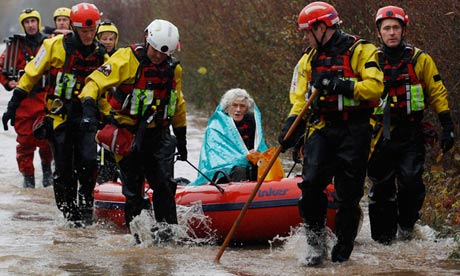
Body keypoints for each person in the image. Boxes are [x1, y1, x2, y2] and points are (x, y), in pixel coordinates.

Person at [278, 2, 383, 265]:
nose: (304, 38)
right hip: (322, 129)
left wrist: (341, 85)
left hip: (355, 131)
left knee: (348, 195)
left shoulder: (362, 50)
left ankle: (343, 250)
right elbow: (299, 98)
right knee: (311, 185)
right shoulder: (308, 59)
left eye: (306, 32)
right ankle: (316, 247)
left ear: (322, 27)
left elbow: (374, 88)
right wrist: (291, 126)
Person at [2, 2, 107, 226]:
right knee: (63, 170)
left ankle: (86, 206)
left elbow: (107, 90)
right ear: (75, 28)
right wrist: (13, 105)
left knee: (89, 163)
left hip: (87, 117)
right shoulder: (53, 46)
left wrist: (111, 119)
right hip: (59, 116)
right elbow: (30, 75)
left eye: (92, 31)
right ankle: (70, 215)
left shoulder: (101, 54)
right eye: (84, 31)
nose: (88, 36)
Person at [79, 19, 187, 232]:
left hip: (159, 136)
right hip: (128, 135)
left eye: (163, 53)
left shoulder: (173, 69)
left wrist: (181, 138)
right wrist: (89, 111)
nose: (158, 56)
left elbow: (178, 103)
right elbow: (94, 82)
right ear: (147, 39)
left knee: (165, 186)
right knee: (133, 192)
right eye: (155, 50)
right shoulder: (126, 58)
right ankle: (139, 238)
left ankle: (168, 237)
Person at [367, 6, 455, 245]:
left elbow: (437, 91)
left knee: (411, 183)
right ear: (379, 33)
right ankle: (382, 242)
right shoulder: (370, 60)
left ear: (403, 29)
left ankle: (406, 229)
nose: (392, 33)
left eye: (396, 27)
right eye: (387, 28)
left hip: (410, 134)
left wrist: (447, 125)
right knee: (382, 190)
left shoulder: (420, 59)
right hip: (379, 136)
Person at [0, 8, 53, 188]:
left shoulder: (49, 43)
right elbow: (1, 68)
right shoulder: (15, 47)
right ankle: (28, 179)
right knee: (24, 142)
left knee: (46, 140)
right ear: (23, 25)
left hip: (44, 99)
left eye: (33, 21)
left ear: (38, 23)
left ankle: (47, 171)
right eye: (27, 22)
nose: (31, 25)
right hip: (23, 101)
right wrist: (8, 83)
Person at [189, 88, 268, 186]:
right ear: (227, 107)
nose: (238, 110)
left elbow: (260, 147)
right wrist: (245, 157)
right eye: (234, 105)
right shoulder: (216, 126)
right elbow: (217, 157)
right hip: (226, 173)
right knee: (240, 170)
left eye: (242, 106)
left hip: (251, 166)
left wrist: (257, 154)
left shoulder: (253, 123)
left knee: (264, 164)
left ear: (246, 109)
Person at [95, 19, 120, 184]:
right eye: (104, 38)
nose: (108, 42)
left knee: (114, 147)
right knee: (102, 149)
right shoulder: (94, 56)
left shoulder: (121, 57)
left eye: (111, 39)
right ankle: (102, 181)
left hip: (115, 110)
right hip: (97, 110)